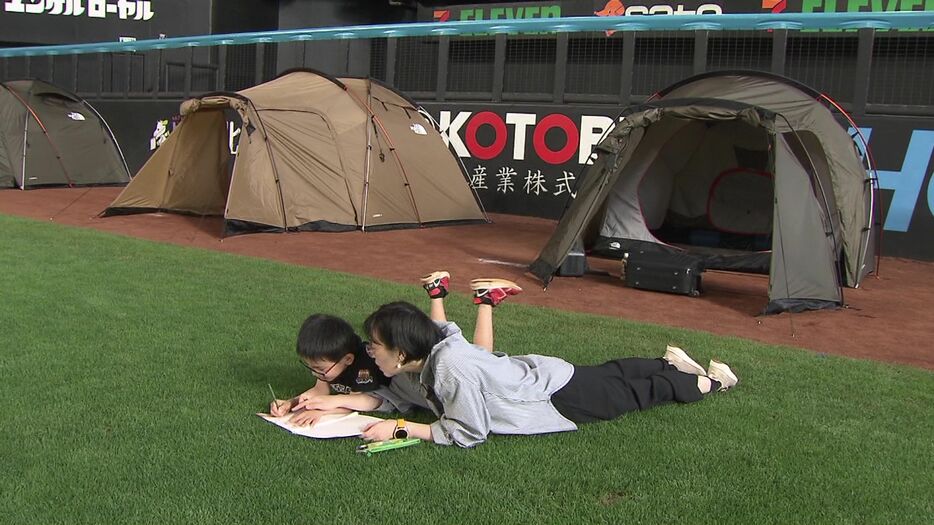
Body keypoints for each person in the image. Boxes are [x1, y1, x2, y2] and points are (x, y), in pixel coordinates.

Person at [342, 272, 738, 447]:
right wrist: (330, 399)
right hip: (548, 374)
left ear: (404, 352)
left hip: (553, 398)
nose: (370, 350)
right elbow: (409, 386)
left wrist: (400, 429)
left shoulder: (448, 367)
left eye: (376, 344)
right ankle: (670, 362)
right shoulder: (435, 348)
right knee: (613, 373)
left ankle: (711, 382)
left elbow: (468, 431)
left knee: (634, 394)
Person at [268, 313, 390, 426]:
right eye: (311, 367)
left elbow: (362, 401)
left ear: (348, 359)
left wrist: (321, 412)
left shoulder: (363, 367)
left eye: (320, 369)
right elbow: (320, 390)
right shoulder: (329, 364)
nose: (314, 372)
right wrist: (291, 403)